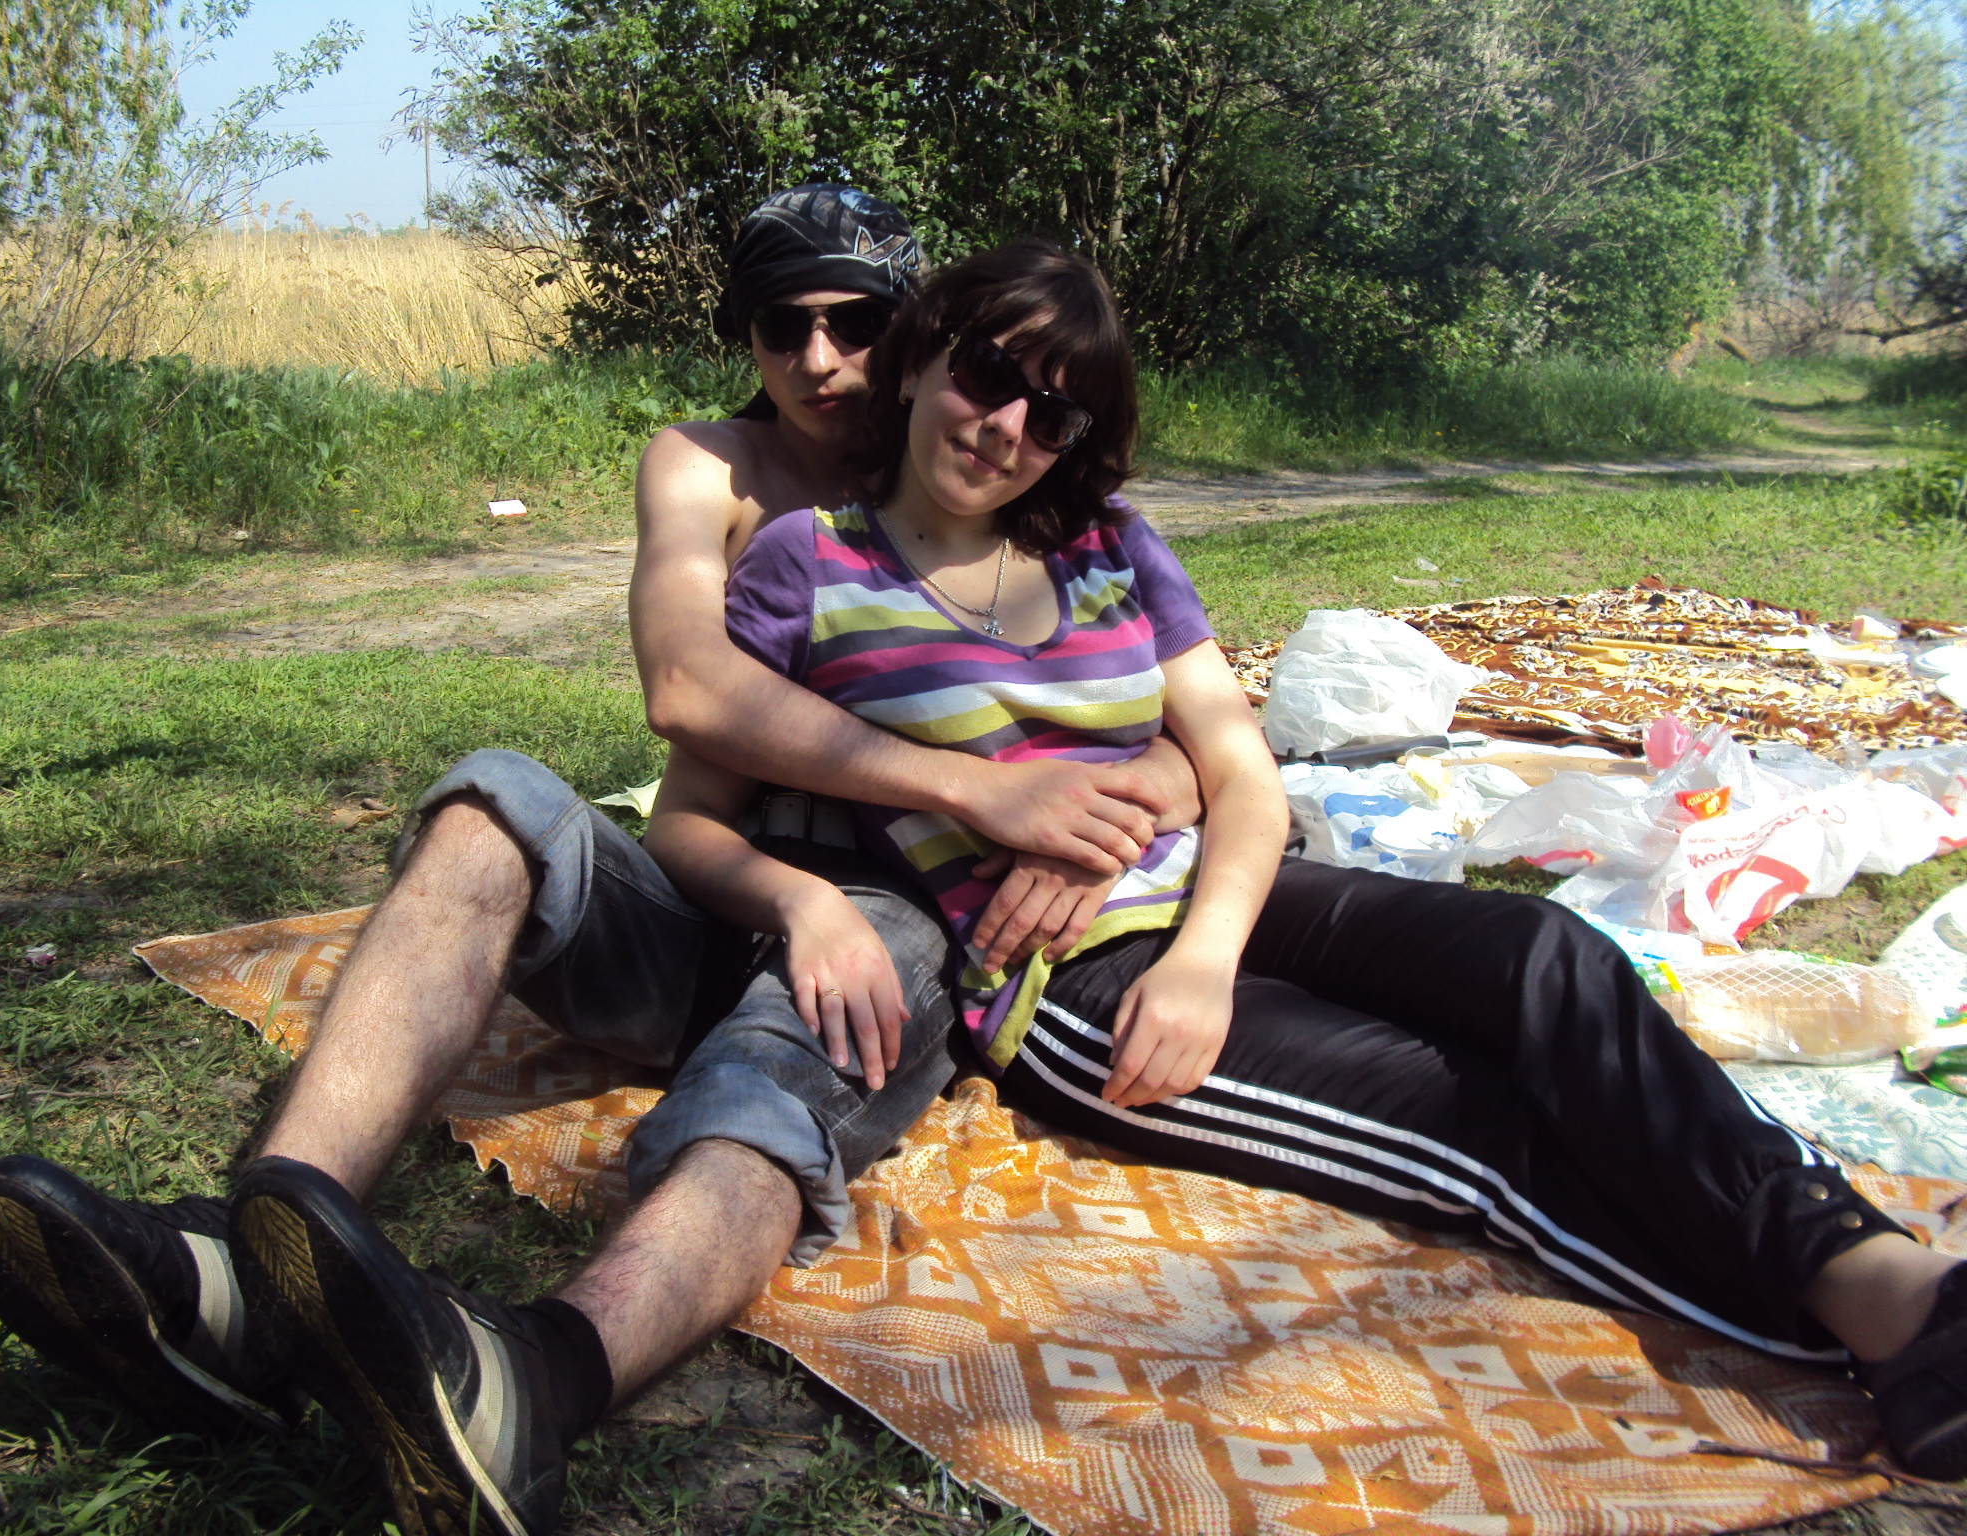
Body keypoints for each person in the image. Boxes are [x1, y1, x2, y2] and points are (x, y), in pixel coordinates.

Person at [0, 190, 1197, 1536]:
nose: (820, 360)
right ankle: (247, 1266)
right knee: (492, 799)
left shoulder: (1009, 486)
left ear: (911, 337)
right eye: (782, 326)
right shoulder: (711, 471)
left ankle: (536, 1384)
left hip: (885, 922)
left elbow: (1187, 728)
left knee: (799, 1056)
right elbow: (687, 691)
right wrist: (969, 790)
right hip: (712, 889)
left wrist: (1136, 799)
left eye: (856, 323)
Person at [638, 241, 1967, 1487]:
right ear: (925, 356)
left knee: (1544, 953)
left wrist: (1207, 960)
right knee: (1465, 1116)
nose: (1006, 429)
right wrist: (802, 902)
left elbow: (1239, 769)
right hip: (1071, 985)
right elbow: (689, 818)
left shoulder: (1108, 545)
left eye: (1055, 415)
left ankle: (1894, 1284)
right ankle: (1875, 1323)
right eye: (988, 376)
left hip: (1223, 901)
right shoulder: (808, 568)